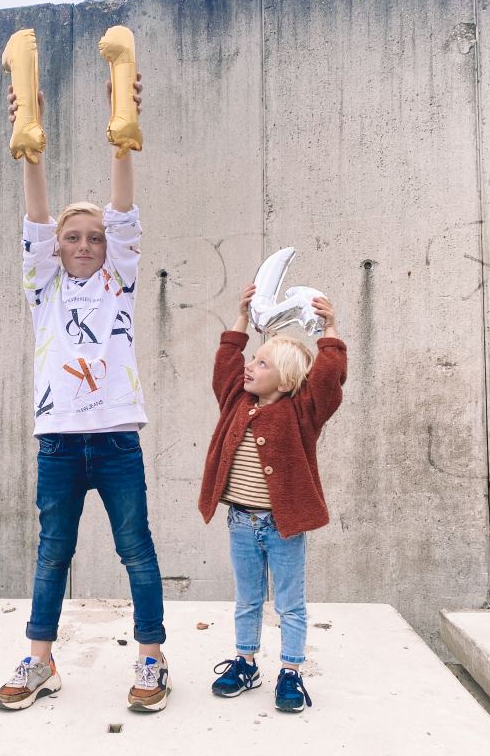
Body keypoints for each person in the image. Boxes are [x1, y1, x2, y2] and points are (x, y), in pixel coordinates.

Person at [0, 77, 170, 713]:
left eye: (94, 237)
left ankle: (151, 660)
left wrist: (123, 132)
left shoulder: (119, 281)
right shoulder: (44, 290)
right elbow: (36, 221)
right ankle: (40, 662)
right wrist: (29, 146)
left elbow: (123, 216)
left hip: (118, 440)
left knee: (136, 552)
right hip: (60, 444)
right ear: (58, 248)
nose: (86, 244)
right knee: (52, 555)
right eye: (75, 237)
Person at [199, 283, 346, 712]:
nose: (250, 367)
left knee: (289, 603)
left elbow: (327, 379)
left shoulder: (303, 411)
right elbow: (225, 363)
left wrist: (330, 329)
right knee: (247, 598)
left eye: (261, 364)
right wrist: (242, 317)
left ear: (285, 378)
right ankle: (245, 663)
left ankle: (291, 671)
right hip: (242, 522)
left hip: (284, 526)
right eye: (253, 360)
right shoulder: (235, 400)